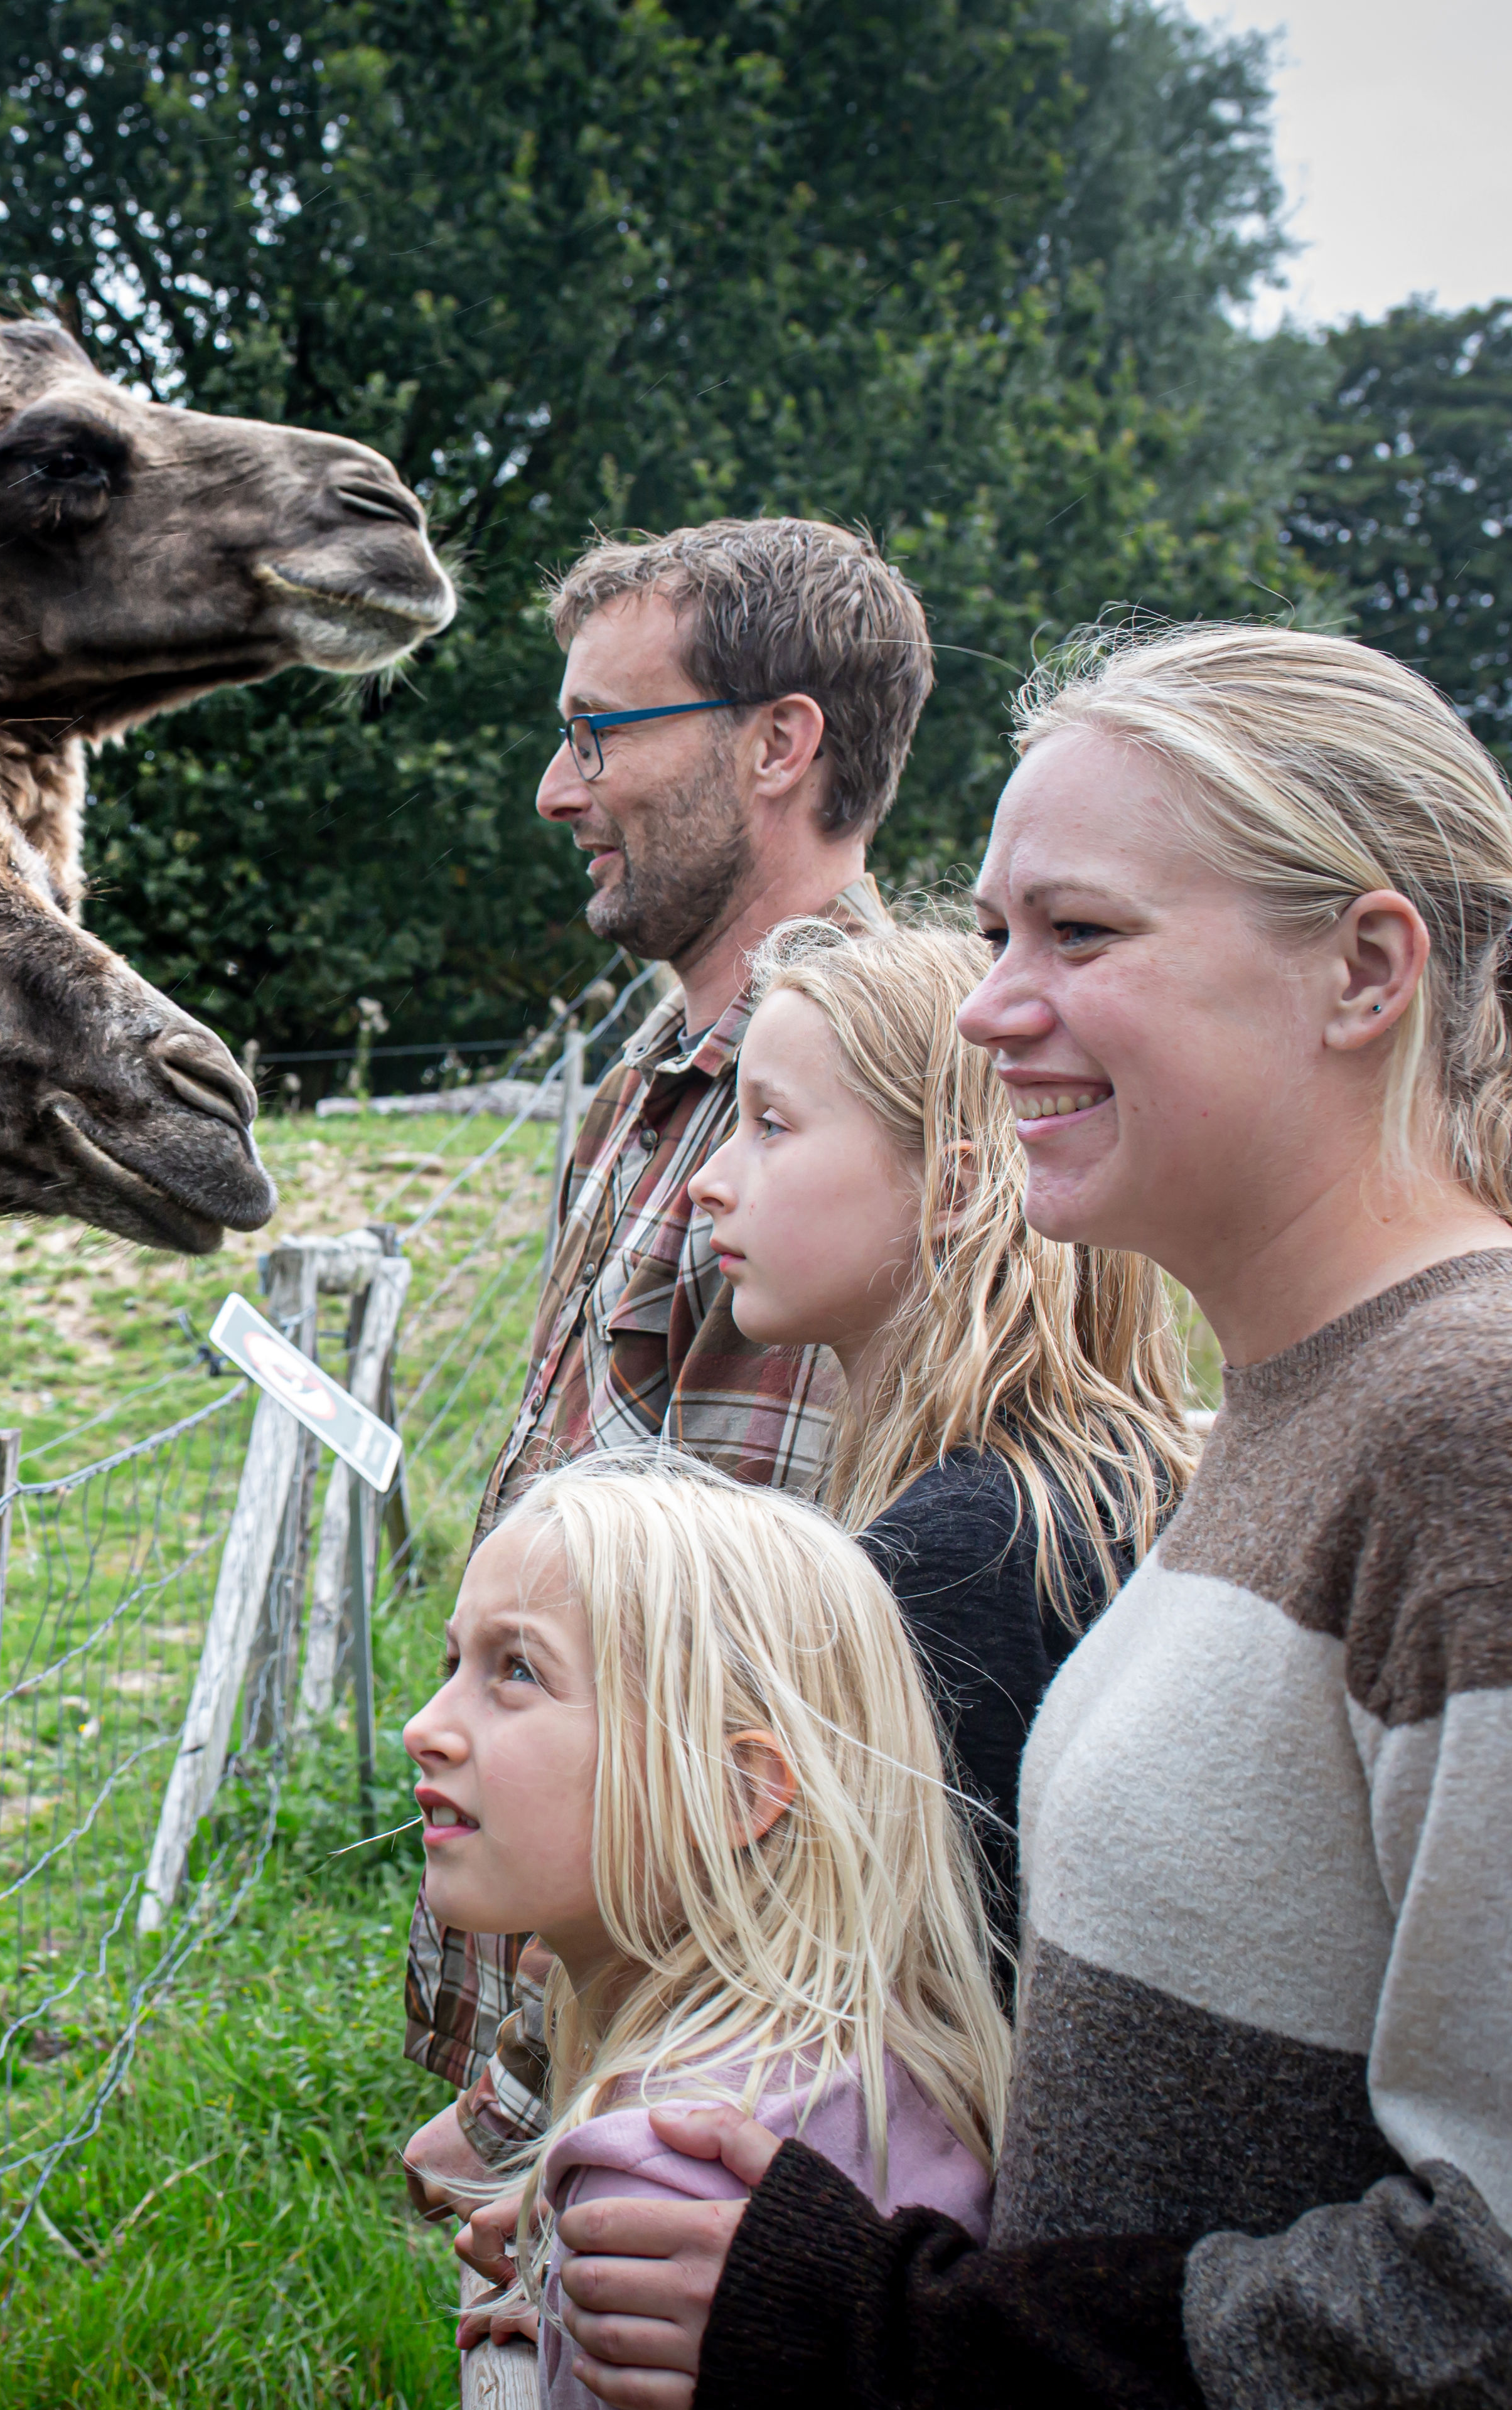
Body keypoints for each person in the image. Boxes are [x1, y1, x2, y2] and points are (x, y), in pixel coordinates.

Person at [540, 622, 1512, 2409]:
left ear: (1365, 970)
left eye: (1078, 934)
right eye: (999, 932)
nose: (994, 1004)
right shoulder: (1298, 1397)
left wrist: (877, 2324)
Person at [407, 517, 939, 2199]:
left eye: (596, 733)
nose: (558, 791)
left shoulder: (837, 1117)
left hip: (657, 2101)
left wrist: (525, 2114)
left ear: (782, 743)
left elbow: (722, 1689)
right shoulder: (674, 1056)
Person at [400, 1451, 1012, 2410]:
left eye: (517, 1671)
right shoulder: (864, 2065)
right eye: (454, 1663)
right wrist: (567, 2298)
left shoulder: (665, 2188)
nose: (425, 1726)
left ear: (738, 1792)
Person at [681, 918, 1195, 1946]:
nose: (711, 1180)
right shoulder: (1104, 1476)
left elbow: (922, 1979)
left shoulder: (964, 1553)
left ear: (954, 1188)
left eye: (769, 1126)